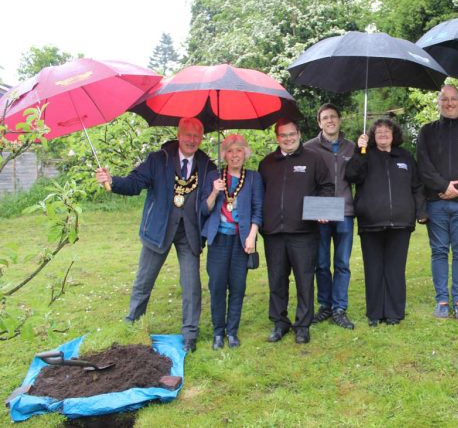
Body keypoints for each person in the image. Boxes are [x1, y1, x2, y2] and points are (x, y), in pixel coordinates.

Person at [95, 117, 216, 352]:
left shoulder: (207, 164)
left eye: (196, 136)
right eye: (187, 135)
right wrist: (112, 181)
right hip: (158, 229)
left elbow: (212, 196)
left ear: (201, 138)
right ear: (179, 135)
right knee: (143, 282)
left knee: (191, 285)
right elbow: (134, 183)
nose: (191, 140)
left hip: (189, 232)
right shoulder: (157, 159)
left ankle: (190, 334)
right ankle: (131, 325)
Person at [258, 118, 334, 344]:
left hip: (303, 232)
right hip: (273, 233)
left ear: (299, 134)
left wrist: (322, 208)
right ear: (276, 138)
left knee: (304, 280)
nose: (288, 139)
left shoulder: (314, 158)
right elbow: (258, 195)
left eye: (292, 134)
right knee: (277, 280)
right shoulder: (267, 163)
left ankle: (302, 325)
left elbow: (327, 187)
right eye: (283, 135)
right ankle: (279, 323)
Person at [345, 118, 426, 327]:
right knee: (373, 269)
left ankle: (394, 313)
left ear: (394, 134)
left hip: (400, 222)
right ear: (372, 135)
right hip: (371, 222)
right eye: (378, 131)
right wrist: (358, 150)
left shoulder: (405, 157)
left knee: (395, 269)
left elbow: (416, 186)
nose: (382, 134)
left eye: (386, 130)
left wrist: (421, 211)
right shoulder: (365, 155)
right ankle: (374, 313)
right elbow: (352, 175)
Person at [417, 85, 458, 321]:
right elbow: (424, 166)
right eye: (444, 99)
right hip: (436, 203)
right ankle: (442, 301)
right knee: (438, 251)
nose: (449, 103)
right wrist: (444, 187)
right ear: (438, 103)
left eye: (453, 99)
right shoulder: (427, 131)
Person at [201, 134, 264, 350]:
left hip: (241, 241)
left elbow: (258, 210)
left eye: (239, 150)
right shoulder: (214, 176)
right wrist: (213, 192)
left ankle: (232, 332)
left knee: (237, 286)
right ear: (224, 154)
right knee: (217, 285)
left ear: (245, 153)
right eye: (230, 150)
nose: (235, 155)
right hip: (218, 239)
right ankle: (218, 332)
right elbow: (203, 209)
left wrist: (252, 236)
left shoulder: (254, 178)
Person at [304, 103, 357, 329]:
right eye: (325, 118)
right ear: (319, 122)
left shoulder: (352, 147)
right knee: (322, 263)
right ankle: (325, 305)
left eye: (333, 117)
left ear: (339, 120)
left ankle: (339, 308)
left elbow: (361, 175)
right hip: (321, 213)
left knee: (342, 263)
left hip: (345, 211)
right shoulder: (309, 148)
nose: (330, 121)